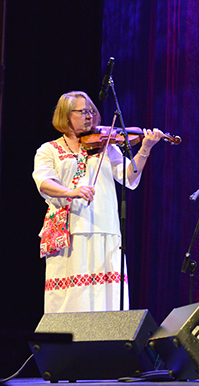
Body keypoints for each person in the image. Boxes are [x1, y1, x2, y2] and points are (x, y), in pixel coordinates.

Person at [33, 91, 164, 313]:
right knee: (70, 297)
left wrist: (145, 149)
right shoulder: (49, 150)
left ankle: (104, 344)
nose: (89, 117)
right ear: (65, 115)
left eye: (92, 111)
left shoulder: (106, 147)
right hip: (69, 230)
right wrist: (71, 191)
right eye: (82, 112)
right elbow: (44, 183)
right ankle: (68, 345)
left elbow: (130, 178)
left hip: (106, 228)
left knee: (105, 295)